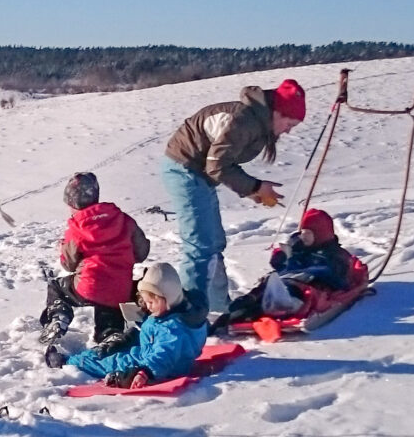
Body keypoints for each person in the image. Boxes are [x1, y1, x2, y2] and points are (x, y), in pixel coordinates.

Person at [160, 78, 306, 314]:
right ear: (277, 113)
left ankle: (217, 308)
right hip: (183, 170)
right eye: (289, 123)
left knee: (214, 243)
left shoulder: (257, 123)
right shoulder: (243, 120)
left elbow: (221, 164)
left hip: (200, 175)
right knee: (199, 246)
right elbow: (217, 165)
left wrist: (253, 191)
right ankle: (191, 316)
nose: (289, 130)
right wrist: (255, 187)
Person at [46, 262, 208, 389]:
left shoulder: (171, 328)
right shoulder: (183, 313)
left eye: (152, 302)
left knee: (111, 361)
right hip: (154, 354)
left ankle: (68, 363)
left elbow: (164, 354)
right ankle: (84, 357)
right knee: (115, 348)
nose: (148, 306)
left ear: (168, 298)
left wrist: (145, 372)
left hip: (155, 365)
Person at [39, 172, 150, 345]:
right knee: (110, 307)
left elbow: (68, 264)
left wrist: (64, 248)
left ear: (71, 203)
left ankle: (58, 316)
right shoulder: (123, 219)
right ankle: (110, 335)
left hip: (88, 286)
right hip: (120, 287)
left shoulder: (77, 227)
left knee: (57, 287)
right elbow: (141, 252)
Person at [215, 207, 359, 331]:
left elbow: (339, 280)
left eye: (309, 233)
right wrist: (286, 252)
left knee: (290, 293)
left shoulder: (335, 254)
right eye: (303, 232)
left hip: (306, 287)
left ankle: (274, 307)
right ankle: (231, 314)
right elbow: (278, 264)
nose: (304, 237)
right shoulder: (301, 247)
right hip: (284, 281)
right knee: (254, 296)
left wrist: (305, 269)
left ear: (321, 234)